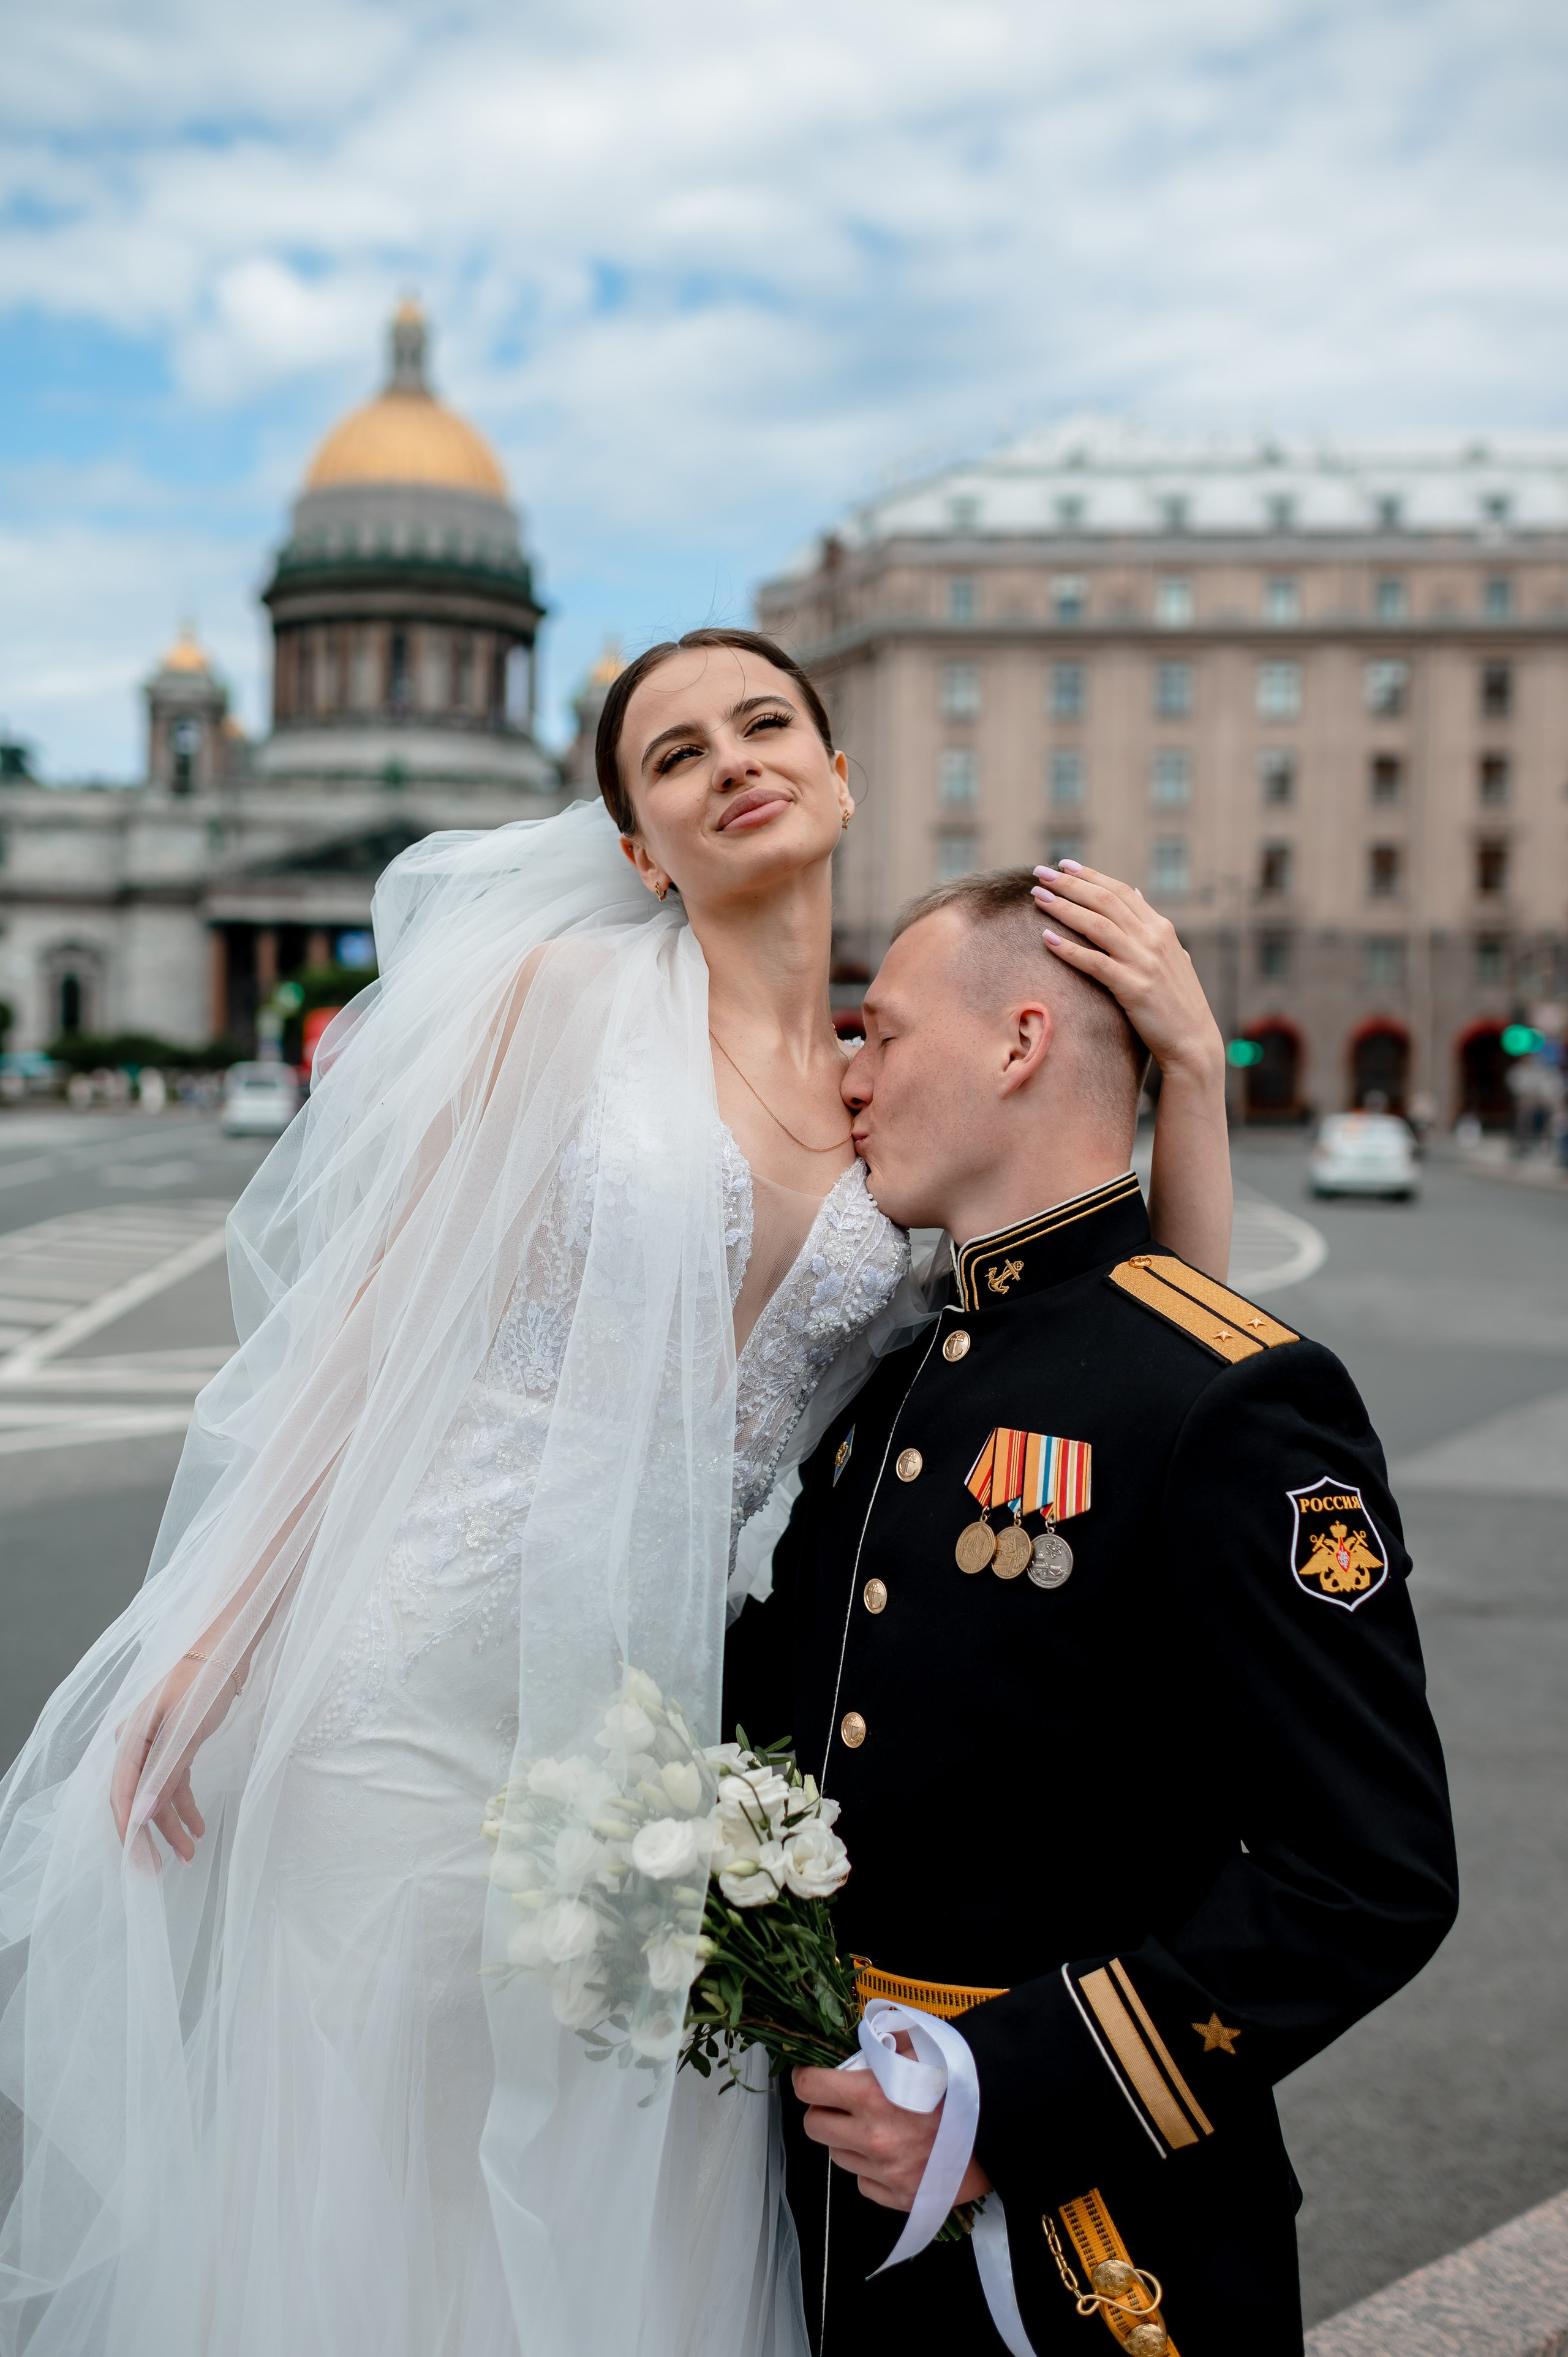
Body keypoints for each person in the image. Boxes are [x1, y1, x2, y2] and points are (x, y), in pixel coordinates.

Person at [0, 632, 1229, 2357]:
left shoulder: (890, 1098)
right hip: (414, 1686)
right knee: (392, 2182)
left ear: (838, 768)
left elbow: (1150, 1336)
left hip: (663, 1731)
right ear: (642, 844)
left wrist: (1194, 1064)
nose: (731, 760)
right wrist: (209, 1636)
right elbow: (367, 1346)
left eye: (766, 723)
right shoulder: (562, 1004)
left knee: (624, 2192)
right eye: (674, 756)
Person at [725, 868, 1459, 2357]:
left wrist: (1014, 2091)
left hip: (1093, 2241)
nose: (846, 1077)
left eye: (877, 1031)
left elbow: (1365, 1871)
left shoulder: (1236, 1398)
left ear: (1017, 1043)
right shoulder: (899, 1375)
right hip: (831, 2189)